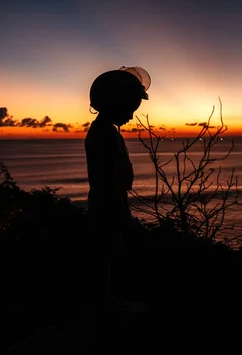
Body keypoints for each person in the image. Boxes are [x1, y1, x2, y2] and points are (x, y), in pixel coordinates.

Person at [85, 66, 150, 312]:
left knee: (106, 255)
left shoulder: (104, 131)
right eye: (130, 108)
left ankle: (107, 300)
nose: (131, 116)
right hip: (107, 205)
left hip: (106, 203)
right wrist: (123, 216)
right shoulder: (105, 135)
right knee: (107, 254)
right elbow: (109, 182)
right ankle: (106, 305)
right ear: (115, 102)